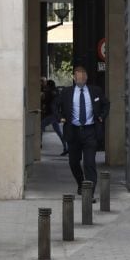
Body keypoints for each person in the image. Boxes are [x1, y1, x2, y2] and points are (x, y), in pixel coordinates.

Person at [58, 64, 110, 200]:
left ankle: (90, 194)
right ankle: (81, 183)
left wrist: (101, 116)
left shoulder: (95, 91)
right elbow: (55, 105)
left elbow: (106, 104)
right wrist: (60, 117)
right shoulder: (67, 92)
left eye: (83, 79)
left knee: (89, 163)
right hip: (73, 132)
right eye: (78, 79)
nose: (81, 81)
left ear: (86, 78)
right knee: (73, 163)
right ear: (74, 79)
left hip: (90, 131)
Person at [41, 79, 68, 155]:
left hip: (52, 114)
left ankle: (38, 143)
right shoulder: (56, 92)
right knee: (58, 132)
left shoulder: (50, 92)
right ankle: (66, 147)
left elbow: (47, 102)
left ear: (49, 86)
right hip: (55, 114)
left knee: (40, 126)